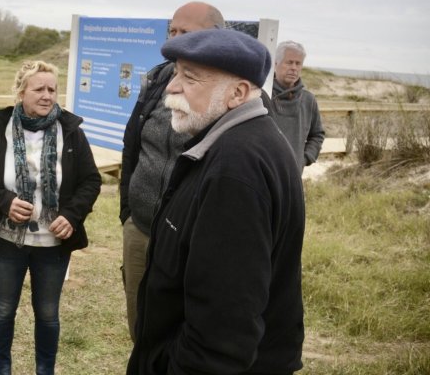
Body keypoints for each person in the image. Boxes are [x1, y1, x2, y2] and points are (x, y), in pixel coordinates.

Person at [128, 29, 305, 374]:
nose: (170, 87)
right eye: (176, 72)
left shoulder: (235, 170)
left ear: (237, 93)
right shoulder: (243, 142)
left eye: (189, 78)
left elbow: (221, 336)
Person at [0, 61, 102, 375]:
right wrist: (5, 202)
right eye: (39, 89)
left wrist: (72, 216)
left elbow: (91, 181)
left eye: (52, 89)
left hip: (53, 243)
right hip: (7, 241)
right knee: (3, 312)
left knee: (48, 315)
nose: (47, 96)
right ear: (21, 93)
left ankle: (45, 371)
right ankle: (0, 370)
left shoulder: (70, 133)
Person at [119, 1, 225, 342]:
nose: (175, 41)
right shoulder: (159, 78)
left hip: (188, 241)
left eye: (187, 34)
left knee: (182, 332)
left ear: (216, 37)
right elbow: (133, 145)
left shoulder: (228, 92)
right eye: (172, 32)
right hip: (140, 229)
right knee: (140, 328)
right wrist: (128, 213)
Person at [270, 40, 325, 171]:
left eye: (298, 63)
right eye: (289, 62)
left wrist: (304, 158)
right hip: (262, 174)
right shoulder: (262, 96)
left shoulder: (308, 100)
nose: (294, 68)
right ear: (276, 63)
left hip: (294, 177)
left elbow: (317, 135)